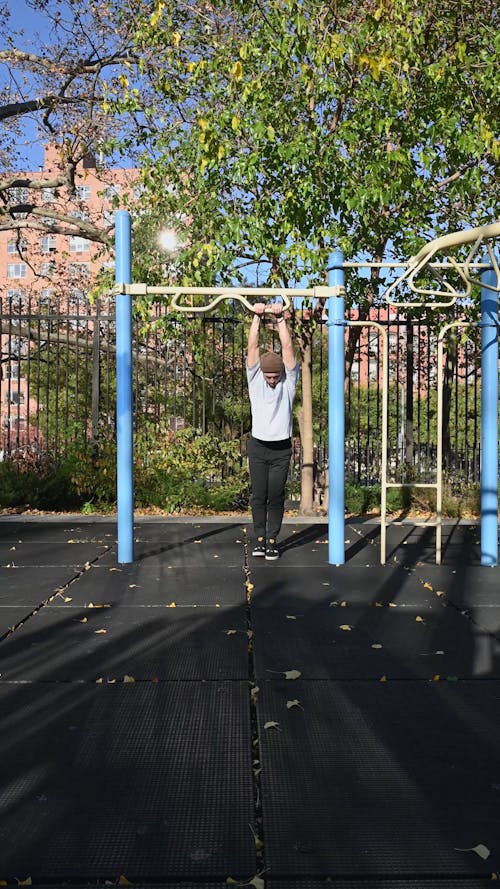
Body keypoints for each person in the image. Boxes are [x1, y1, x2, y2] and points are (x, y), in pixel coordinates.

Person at [246, 302, 299, 560]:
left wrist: (280, 320)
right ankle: (258, 538)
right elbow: (252, 347)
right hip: (258, 445)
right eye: (268, 377)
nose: (272, 381)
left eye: (275, 377)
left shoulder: (288, 384)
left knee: (276, 495)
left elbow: (288, 348)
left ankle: (271, 540)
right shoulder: (255, 379)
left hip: (281, 448)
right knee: (259, 494)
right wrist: (256, 317)